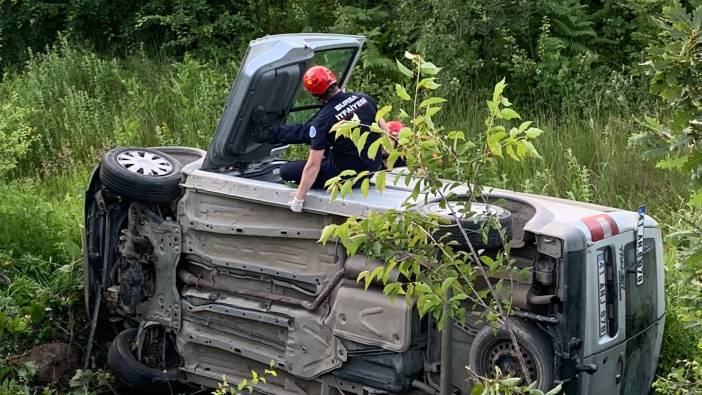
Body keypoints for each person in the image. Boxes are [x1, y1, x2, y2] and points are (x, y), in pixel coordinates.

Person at [255, 65, 382, 212]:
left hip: (345, 176)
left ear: (316, 96)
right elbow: (383, 131)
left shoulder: (324, 119)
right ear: (334, 81)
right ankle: (271, 133)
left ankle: (268, 133)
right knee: (313, 132)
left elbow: (313, 165)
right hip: (369, 170)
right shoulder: (364, 99)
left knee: (285, 171)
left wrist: (298, 199)